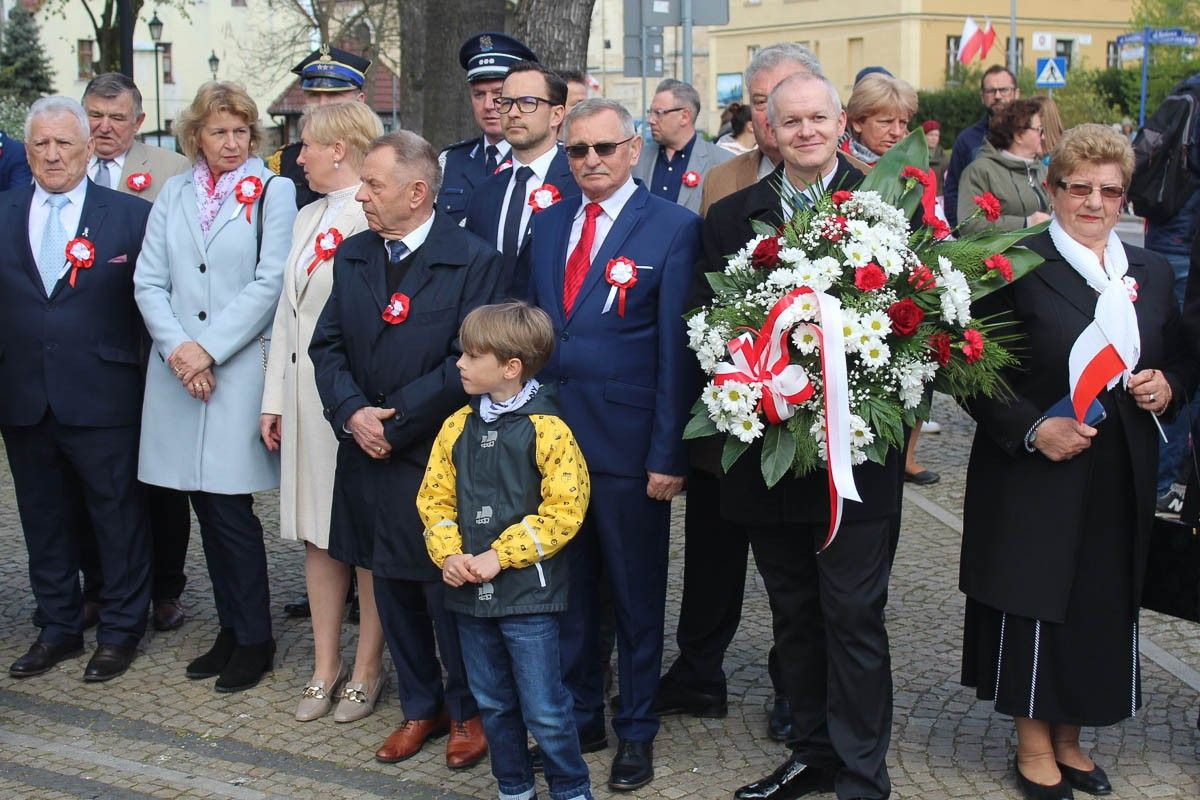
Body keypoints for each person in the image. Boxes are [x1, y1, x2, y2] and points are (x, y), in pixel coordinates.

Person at [960, 123, 1191, 800]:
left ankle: (1071, 737)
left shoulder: (1147, 272)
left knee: (1098, 599)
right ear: (1053, 189)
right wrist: (1035, 429)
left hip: (1121, 466)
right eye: (1078, 188)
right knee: (1038, 597)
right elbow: (971, 369)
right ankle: (1033, 742)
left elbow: (1177, 356)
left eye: (1109, 191)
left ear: (1126, 201)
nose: (1094, 203)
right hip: (1036, 467)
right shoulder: (1015, 260)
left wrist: (1169, 384)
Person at [701, 72, 901, 800]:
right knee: (793, 612)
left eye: (818, 117)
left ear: (839, 120)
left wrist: (886, 412)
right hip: (768, 454)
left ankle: (860, 774)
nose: (806, 131)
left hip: (856, 463)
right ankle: (812, 754)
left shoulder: (884, 206)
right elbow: (710, 334)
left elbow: (922, 331)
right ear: (767, 129)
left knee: (851, 615)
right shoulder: (729, 218)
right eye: (791, 121)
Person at [309, 130, 500, 769]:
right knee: (388, 584)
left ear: (417, 193)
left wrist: (397, 422)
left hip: (433, 454)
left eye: (373, 185)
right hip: (365, 451)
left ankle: (469, 712)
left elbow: (466, 361)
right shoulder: (357, 253)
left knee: (444, 593)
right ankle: (421, 707)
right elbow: (327, 346)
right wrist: (353, 413)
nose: (361, 196)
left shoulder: (473, 258)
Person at [526, 97, 702, 791]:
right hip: (553, 445)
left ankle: (636, 728)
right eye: (578, 151)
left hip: (631, 450)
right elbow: (536, 335)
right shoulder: (547, 225)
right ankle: (579, 715)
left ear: (634, 150)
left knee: (634, 597)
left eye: (605, 148)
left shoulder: (672, 228)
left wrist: (669, 453)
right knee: (567, 594)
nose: (591, 162)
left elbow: (675, 354)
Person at [676, 41, 822, 747]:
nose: (774, 117)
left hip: (824, 415)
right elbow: (706, 292)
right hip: (743, 403)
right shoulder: (726, 183)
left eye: (786, 102)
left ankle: (797, 686)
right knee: (721, 545)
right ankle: (702, 663)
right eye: (762, 103)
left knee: (808, 569)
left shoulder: (857, 186)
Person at [134, 81, 297, 693]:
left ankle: (254, 637)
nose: (230, 143)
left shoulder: (273, 192)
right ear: (195, 137)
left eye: (239, 132)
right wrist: (180, 352)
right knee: (200, 506)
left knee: (231, 510)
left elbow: (268, 282)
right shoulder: (173, 193)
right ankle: (231, 629)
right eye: (217, 131)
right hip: (180, 375)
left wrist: (208, 349)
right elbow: (150, 281)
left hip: (234, 372)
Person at [0, 96, 153, 683]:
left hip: (104, 394)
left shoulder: (127, 216)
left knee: (116, 517)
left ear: (89, 147)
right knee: (42, 519)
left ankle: (119, 630)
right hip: (23, 394)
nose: (53, 154)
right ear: (28, 149)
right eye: (41, 143)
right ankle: (58, 626)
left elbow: (148, 306)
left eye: (65, 143)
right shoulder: (6, 209)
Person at [421, 301, 594, 800]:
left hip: (528, 596)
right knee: (493, 702)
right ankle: (514, 787)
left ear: (510, 367)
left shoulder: (548, 429)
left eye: (473, 356)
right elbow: (435, 498)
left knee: (544, 707)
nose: (460, 363)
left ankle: (571, 789)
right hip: (470, 596)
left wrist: (503, 554)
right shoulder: (456, 427)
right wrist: (449, 554)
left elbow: (566, 508)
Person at [260, 101, 385, 722]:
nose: (298, 155)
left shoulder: (376, 208)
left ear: (340, 148)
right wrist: (273, 400)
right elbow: (287, 312)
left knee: (361, 535)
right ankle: (324, 662)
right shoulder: (307, 214)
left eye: (306, 144)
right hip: (304, 401)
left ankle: (367, 667)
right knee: (317, 532)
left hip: (352, 400)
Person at [72, 71, 192, 634]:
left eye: (117, 117)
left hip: (153, 344)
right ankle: (97, 585)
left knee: (160, 477)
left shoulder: (170, 171)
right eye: (95, 114)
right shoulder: (63, 165)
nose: (103, 127)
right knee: (92, 475)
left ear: (139, 122)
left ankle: (166, 587)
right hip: (85, 347)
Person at [463, 60, 579, 297]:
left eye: (528, 103)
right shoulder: (485, 192)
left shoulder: (578, 184)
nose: (513, 113)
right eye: (506, 102)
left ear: (557, 114)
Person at [699, 42, 821, 212]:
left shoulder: (864, 181)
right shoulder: (719, 182)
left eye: (787, 98)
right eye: (761, 102)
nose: (772, 113)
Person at [437, 32, 539, 222]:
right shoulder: (451, 161)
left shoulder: (545, 159)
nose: (488, 105)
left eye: (498, 94)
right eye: (479, 95)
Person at [268, 45, 372, 209]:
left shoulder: (379, 156)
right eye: (314, 95)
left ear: (359, 100)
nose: (322, 104)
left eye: (334, 95)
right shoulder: (288, 160)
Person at [632, 78, 732, 214]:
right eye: (650, 112)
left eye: (659, 113)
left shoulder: (722, 163)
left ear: (684, 116)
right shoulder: (637, 159)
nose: (651, 120)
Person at [956, 99, 1051, 236]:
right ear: (1019, 135)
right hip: (1001, 256)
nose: (1043, 137)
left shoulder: (1042, 170)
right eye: (1039, 130)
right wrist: (1025, 223)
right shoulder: (980, 171)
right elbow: (969, 224)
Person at [944, 65, 1021, 227]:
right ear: (982, 97)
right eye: (991, 91)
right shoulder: (967, 140)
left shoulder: (1030, 137)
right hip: (979, 238)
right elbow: (952, 191)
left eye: (1004, 90)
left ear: (1017, 93)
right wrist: (959, 231)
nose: (998, 96)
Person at [843, 72, 918, 169]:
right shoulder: (830, 165)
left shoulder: (920, 173)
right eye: (886, 122)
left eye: (903, 123)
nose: (897, 132)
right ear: (857, 122)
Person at [924, 120, 947, 195]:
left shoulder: (944, 159)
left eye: (936, 135)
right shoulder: (916, 156)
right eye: (931, 135)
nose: (934, 138)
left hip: (938, 198)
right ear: (924, 136)